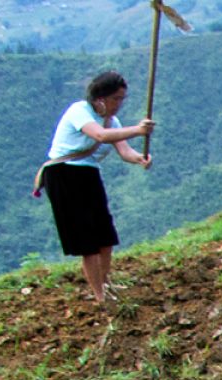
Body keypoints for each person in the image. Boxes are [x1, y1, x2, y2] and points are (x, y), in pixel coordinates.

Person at [39, 71, 154, 303]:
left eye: (122, 99)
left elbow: (124, 151)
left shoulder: (113, 122)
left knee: (105, 235)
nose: (119, 104)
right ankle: (100, 296)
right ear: (100, 98)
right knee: (86, 240)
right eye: (116, 99)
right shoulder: (79, 111)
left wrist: (140, 158)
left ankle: (106, 282)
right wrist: (139, 130)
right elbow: (100, 136)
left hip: (89, 175)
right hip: (64, 175)